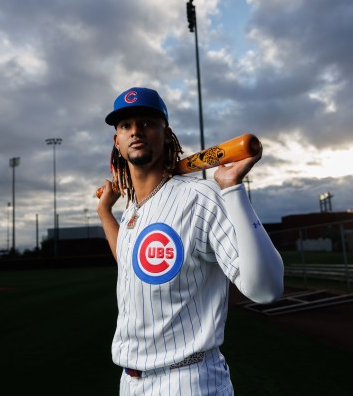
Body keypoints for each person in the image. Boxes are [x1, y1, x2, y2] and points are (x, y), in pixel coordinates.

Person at [97, 87, 284, 395]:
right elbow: (129, 261)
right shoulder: (132, 209)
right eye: (126, 125)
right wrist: (106, 212)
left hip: (187, 380)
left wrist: (232, 189)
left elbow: (267, 289)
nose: (136, 131)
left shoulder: (201, 196)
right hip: (130, 382)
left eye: (147, 122)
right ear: (116, 141)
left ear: (165, 133)